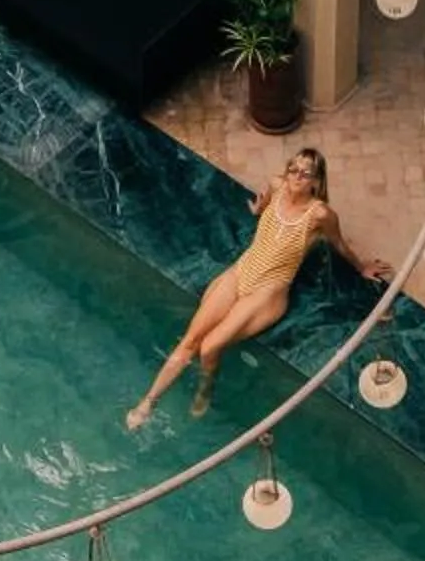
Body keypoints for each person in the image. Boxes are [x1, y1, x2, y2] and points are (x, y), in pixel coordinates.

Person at [127, 147, 389, 429]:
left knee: (209, 347)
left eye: (306, 173)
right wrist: (260, 209)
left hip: (268, 292)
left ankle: (206, 386)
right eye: (294, 169)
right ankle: (148, 402)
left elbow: (338, 244)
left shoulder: (320, 214)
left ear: (317, 181)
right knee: (190, 340)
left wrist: (361, 267)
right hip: (241, 272)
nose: (297, 177)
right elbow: (265, 201)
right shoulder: (277, 185)